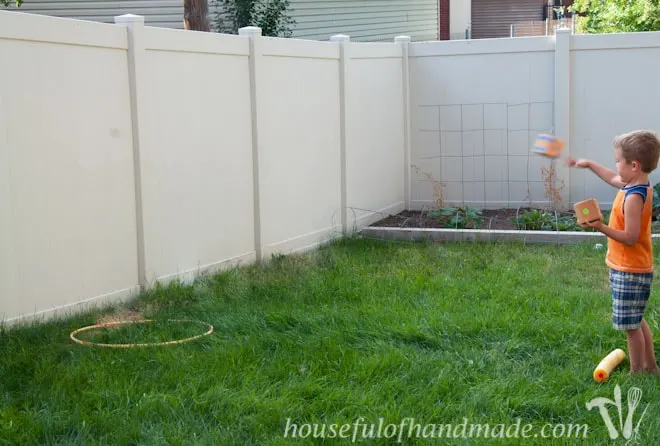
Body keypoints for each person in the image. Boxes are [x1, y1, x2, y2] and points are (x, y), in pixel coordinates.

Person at [567, 130, 660, 376]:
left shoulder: (633, 198)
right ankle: (651, 367)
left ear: (634, 165)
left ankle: (636, 371)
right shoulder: (637, 184)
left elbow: (630, 237)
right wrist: (588, 165)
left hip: (630, 269)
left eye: (618, 160)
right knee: (637, 319)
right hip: (632, 266)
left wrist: (599, 226)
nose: (615, 165)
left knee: (631, 327)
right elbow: (612, 178)